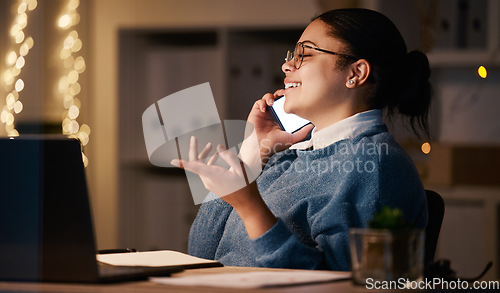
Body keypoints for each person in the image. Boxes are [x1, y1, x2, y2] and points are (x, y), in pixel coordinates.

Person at [171, 8, 431, 271]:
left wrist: (250, 207)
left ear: (356, 73)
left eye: (305, 54)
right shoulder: (288, 157)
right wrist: (252, 155)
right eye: (292, 55)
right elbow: (201, 256)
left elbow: (341, 285)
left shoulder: (376, 167)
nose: (287, 65)